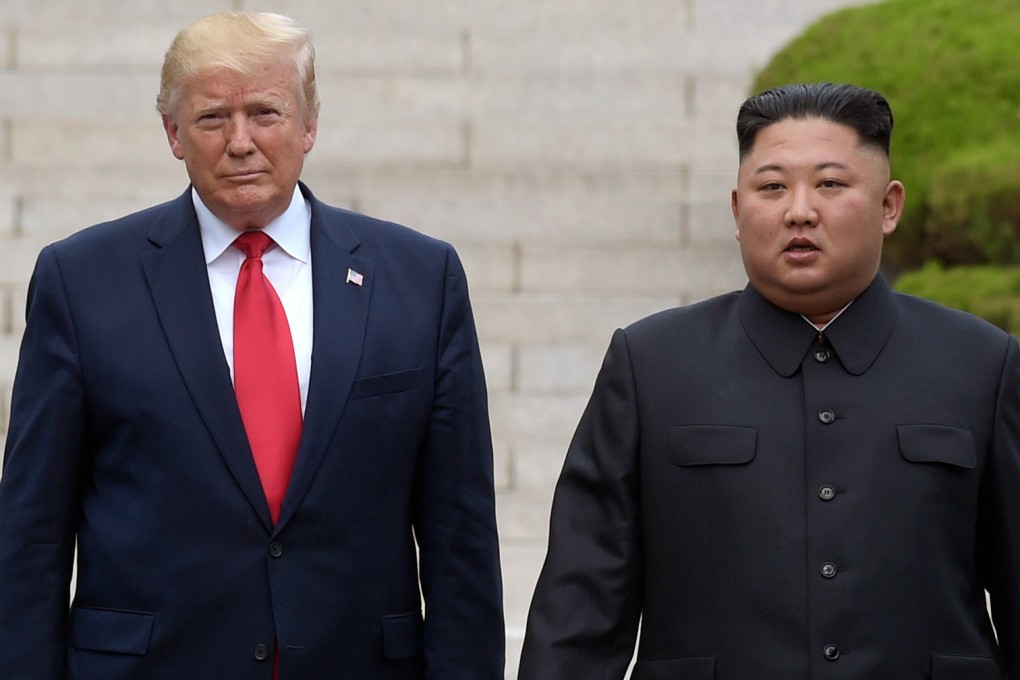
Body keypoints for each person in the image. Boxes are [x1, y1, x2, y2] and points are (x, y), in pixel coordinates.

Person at [0, 11, 503, 679]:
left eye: (265, 112)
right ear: (173, 134)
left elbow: (460, 537)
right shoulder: (82, 281)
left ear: (309, 125)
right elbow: (31, 536)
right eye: (213, 118)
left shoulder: (419, 278)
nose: (241, 142)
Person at [518, 82, 1020, 679]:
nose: (800, 210)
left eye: (831, 184)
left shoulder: (980, 364)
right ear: (737, 210)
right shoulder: (652, 364)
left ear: (889, 206)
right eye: (772, 186)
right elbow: (580, 612)